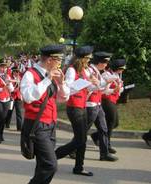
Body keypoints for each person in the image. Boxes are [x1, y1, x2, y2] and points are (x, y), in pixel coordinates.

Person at [20, 44, 69, 184]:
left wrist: (61, 83)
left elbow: (63, 98)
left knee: (43, 164)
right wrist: (47, 80)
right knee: (50, 165)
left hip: (51, 123)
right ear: (49, 60)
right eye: (58, 60)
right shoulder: (30, 74)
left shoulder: (53, 74)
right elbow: (28, 96)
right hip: (37, 124)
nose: (60, 63)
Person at [55, 46, 96, 176]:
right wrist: (86, 82)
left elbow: (88, 88)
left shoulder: (84, 70)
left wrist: (94, 84)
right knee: (80, 140)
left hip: (82, 106)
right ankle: (54, 156)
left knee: (82, 139)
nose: (89, 61)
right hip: (74, 107)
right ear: (82, 58)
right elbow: (68, 90)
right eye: (88, 59)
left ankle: (79, 167)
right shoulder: (71, 71)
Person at [86, 52, 118, 161]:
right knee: (84, 130)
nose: (106, 65)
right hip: (90, 104)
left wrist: (113, 89)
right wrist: (105, 81)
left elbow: (102, 90)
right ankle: (72, 150)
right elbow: (92, 87)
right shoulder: (90, 71)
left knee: (104, 129)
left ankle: (104, 153)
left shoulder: (97, 71)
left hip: (97, 104)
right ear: (100, 62)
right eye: (105, 62)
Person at [91, 59, 126, 154]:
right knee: (111, 123)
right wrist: (114, 90)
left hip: (113, 100)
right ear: (117, 68)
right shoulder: (107, 75)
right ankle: (107, 144)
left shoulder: (117, 75)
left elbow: (119, 89)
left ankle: (96, 136)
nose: (123, 70)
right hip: (107, 100)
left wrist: (121, 89)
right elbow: (103, 91)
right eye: (121, 68)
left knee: (115, 123)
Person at [5, 66, 23, 131]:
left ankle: (19, 127)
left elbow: (22, 87)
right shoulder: (10, 78)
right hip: (12, 97)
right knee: (9, 111)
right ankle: (7, 124)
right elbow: (10, 89)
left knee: (19, 112)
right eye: (16, 72)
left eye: (18, 72)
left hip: (18, 97)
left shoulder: (19, 78)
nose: (17, 73)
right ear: (13, 72)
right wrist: (17, 88)